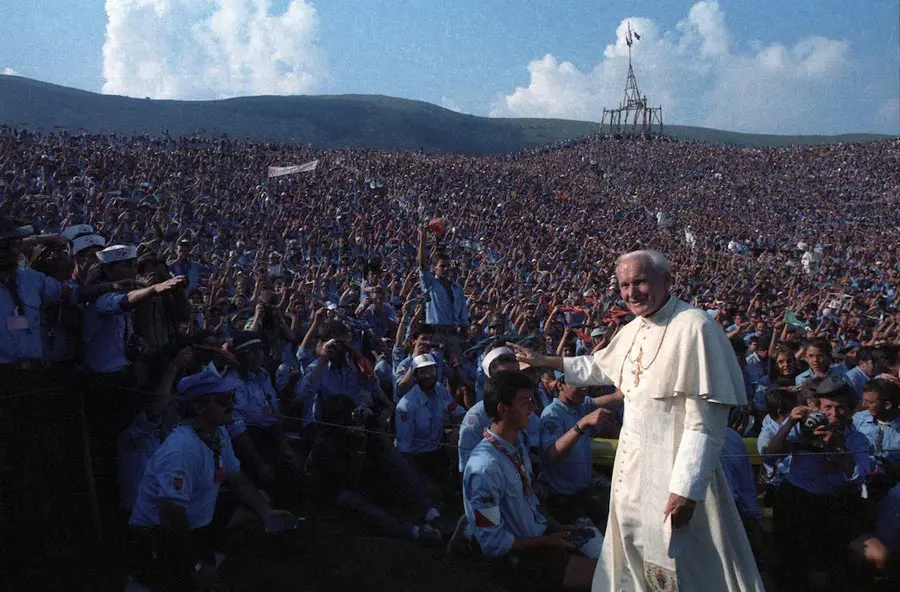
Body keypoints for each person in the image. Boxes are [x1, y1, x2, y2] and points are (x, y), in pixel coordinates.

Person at [512, 250, 763, 591]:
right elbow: (600, 365)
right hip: (631, 473)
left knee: (687, 568)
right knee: (632, 556)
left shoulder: (695, 326)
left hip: (674, 473)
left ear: (667, 281)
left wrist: (685, 491)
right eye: (625, 285)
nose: (631, 293)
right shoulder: (633, 328)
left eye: (641, 282)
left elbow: (705, 423)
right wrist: (546, 361)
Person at [129, 370, 295, 591]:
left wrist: (266, 512)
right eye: (222, 400)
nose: (231, 404)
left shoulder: (218, 434)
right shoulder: (182, 449)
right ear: (198, 408)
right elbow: (171, 515)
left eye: (231, 397)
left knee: (259, 499)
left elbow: (236, 477)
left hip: (197, 520)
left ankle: (210, 555)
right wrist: (196, 566)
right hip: (160, 533)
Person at [463, 370, 597, 591]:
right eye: (526, 401)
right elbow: (493, 543)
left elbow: (530, 501)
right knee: (610, 579)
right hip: (521, 559)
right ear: (503, 409)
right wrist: (547, 542)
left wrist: (556, 526)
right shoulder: (485, 468)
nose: (533, 407)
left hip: (540, 540)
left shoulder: (516, 447)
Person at [765, 377, 872, 590]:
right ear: (818, 408)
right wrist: (790, 423)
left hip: (837, 506)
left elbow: (858, 476)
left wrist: (839, 448)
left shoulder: (857, 439)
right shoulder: (802, 430)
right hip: (800, 504)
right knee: (817, 577)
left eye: (841, 408)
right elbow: (771, 456)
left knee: (878, 556)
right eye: (828, 407)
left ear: (850, 410)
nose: (834, 414)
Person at [308, 395, 443, 548]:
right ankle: (414, 532)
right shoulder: (326, 444)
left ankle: (430, 512)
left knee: (392, 458)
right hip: (343, 495)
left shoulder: (360, 428)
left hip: (371, 483)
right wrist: (358, 448)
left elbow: (389, 450)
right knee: (348, 499)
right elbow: (349, 484)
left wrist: (373, 425)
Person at [539, 378, 613, 526]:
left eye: (585, 386)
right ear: (560, 385)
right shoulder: (552, 414)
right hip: (563, 499)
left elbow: (616, 398)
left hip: (582, 492)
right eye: (578, 385)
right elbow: (551, 455)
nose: (584, 390)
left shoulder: (580, 406)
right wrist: (581, 425)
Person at [395, 353, 465, 490]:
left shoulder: (439, 389)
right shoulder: (406, 406)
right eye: (422, 372)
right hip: (419, 459)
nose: (428, 376)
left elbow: (454, 410)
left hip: (439, 451)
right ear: (415, 376)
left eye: (431, 370)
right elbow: (405, 450)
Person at [417, 224, 468, 359]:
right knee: (436, 366)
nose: (446, 269)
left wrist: (464, 329)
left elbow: (463, 312)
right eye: (442, 266)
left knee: (457, 368)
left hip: (453, 334)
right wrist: (423, 237)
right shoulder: (430, 284)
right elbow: (422, 264)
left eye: (448, 266)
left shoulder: (457, 288)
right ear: (435, 268)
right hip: (435, 333)